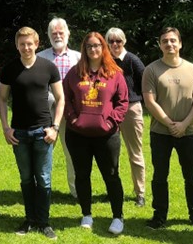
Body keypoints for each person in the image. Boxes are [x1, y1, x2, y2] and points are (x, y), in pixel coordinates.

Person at [142, 27, 193, 232]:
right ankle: (159, 216)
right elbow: (150, 101)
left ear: (180, 43)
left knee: (192, 176)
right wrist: (170, 123)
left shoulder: (192, 69)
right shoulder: (152, 70)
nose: (169, 44)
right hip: (160, 133)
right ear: (160, 45)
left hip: (188, 132)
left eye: (173, 41)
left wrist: (184, 124)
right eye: (165, 41)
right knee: (160, 176)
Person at [0, 27, 64, 240]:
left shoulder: (48, 67)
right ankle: (29, 219)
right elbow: (1, 99)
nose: (26, 47)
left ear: (36, 44)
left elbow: (61, 98)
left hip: (43, 132)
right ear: (17, 45)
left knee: (44, 179)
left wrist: (55, 127)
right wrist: (6, 128)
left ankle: (43, 222)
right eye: (22, 44)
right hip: (19, 134)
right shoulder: (9, 69)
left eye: (30, 44)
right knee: (26, 179)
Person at [63, 32, 128, 235]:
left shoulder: (115, 73)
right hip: (77, 135)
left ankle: (118, 216)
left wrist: (110, 122)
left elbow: (122, 102)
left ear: (103, 48)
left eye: (97, 45)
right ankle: (86, 214)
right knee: (82, 175)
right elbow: (65, 99)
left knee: (111, 175)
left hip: (106, 136)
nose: (93, 49)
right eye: (89, 46)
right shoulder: (74, 73)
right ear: (84, 49)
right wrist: (73, 120)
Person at [37, 17, 80, 198]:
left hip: (71, 110)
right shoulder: (41, 57)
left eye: (61, 32)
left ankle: (77, 192)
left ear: (68, 34)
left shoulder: (78, 57)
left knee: (73, 151)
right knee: (43, 150)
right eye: (53, 33)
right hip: (48, 110)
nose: (58, 36)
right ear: (48, 36)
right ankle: (40, 190)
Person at [105, 27, 146, 207]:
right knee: (110, 154)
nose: (115, 44)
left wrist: (137, 99)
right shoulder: (104, 62)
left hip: (130, 110)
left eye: (118, 41)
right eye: (111, 41)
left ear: (124, 42)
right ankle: (114, 190)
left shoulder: (132, 60)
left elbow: (146, 82)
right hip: (110, 111)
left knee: (134, 153)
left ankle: (140, 193)